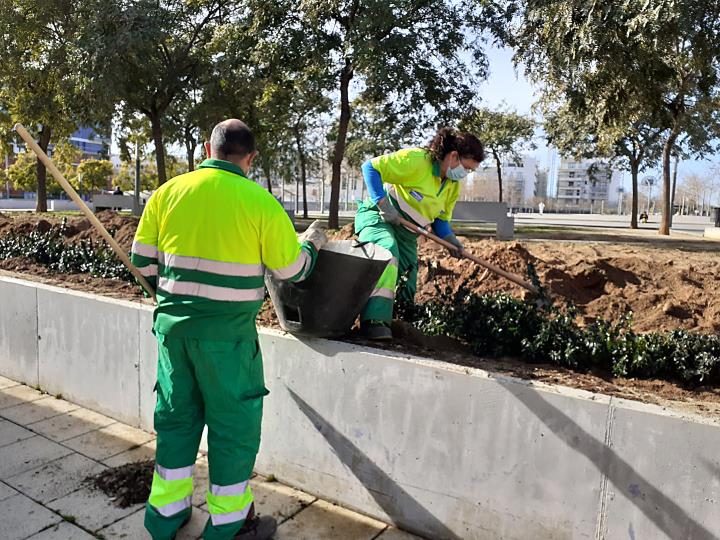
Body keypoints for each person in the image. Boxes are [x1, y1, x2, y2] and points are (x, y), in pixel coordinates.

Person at [130, 119, 327, 540]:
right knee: (232, 430)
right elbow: (292, 271)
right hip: (229, 342)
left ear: (207, 148)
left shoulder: (166, 194)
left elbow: (142, 267)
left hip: (174, 336)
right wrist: (311, 243)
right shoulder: (260, 202)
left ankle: (166, 517)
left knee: (176, 421)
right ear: (250, 159)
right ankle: (228, 528)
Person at [355, 127, 484, 340]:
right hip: (379, 218)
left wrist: (450, 240)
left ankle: (400, 321)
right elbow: (370, 167)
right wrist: (383, 204)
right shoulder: (417, 160)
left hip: (408, 232)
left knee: (408, 274)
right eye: (467, 168)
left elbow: (440, 221)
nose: (466, 174)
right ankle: (373, 322)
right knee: (387, 253)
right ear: (454, 156)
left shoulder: (452, 186)